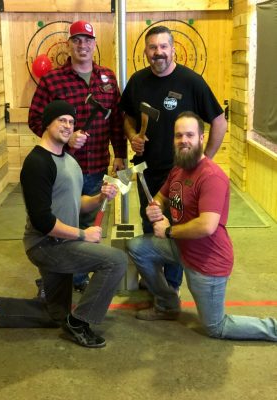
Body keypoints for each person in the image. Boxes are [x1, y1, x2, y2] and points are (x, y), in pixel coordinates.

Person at [0, 100, 127, 348]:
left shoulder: (67, 160)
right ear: (47, 123)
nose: (68, 126)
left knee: (54, 314)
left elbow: (76, 203)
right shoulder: (37, 163)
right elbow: (43, 221)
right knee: (116, 260)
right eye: (62, 120)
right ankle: (80, 323)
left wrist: (100, 197)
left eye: (71, 121)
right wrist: (83, 234)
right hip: (47, 244)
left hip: (62, 242)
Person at [127, 111, 277, 341]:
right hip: (182, 248)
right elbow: (162, 195)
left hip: (207, 262)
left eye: (189, 134)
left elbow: (207, 226)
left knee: (215, 327)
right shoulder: (179, 168)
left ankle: (273, 328)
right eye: (179, 135)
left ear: (201, 138)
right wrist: (155, 206)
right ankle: (168, 304)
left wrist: (168, 230)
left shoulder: (211, 176)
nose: (183, 140)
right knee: (138, 247)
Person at [120, 25, 227, 293]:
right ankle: (155, 282)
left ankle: (172, 285)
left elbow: (219, 121)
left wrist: (205, 162)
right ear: (145, 51)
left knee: (177, 229)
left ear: (173, 49)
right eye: (153, 47)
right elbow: (127, 117)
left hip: (181, 175)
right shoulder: (137, 81)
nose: (159, 53)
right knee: (151, 224)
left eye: (163, 47)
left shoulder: (191, 81)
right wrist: (133, 135)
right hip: (150, 171)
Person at [28, 20, 127, 291]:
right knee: (59, 223)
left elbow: (116, 120)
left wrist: (119, 153)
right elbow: (35, 119)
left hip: (95, 165)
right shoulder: (52, 80)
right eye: (77, 40)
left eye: (88, 40)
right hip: (62, 167)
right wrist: (65, 137)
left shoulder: (107, 79)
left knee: (87, 219)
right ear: (69, 45)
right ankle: (54, 277)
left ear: (95, 45)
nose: (82, 45)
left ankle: (79, 275)